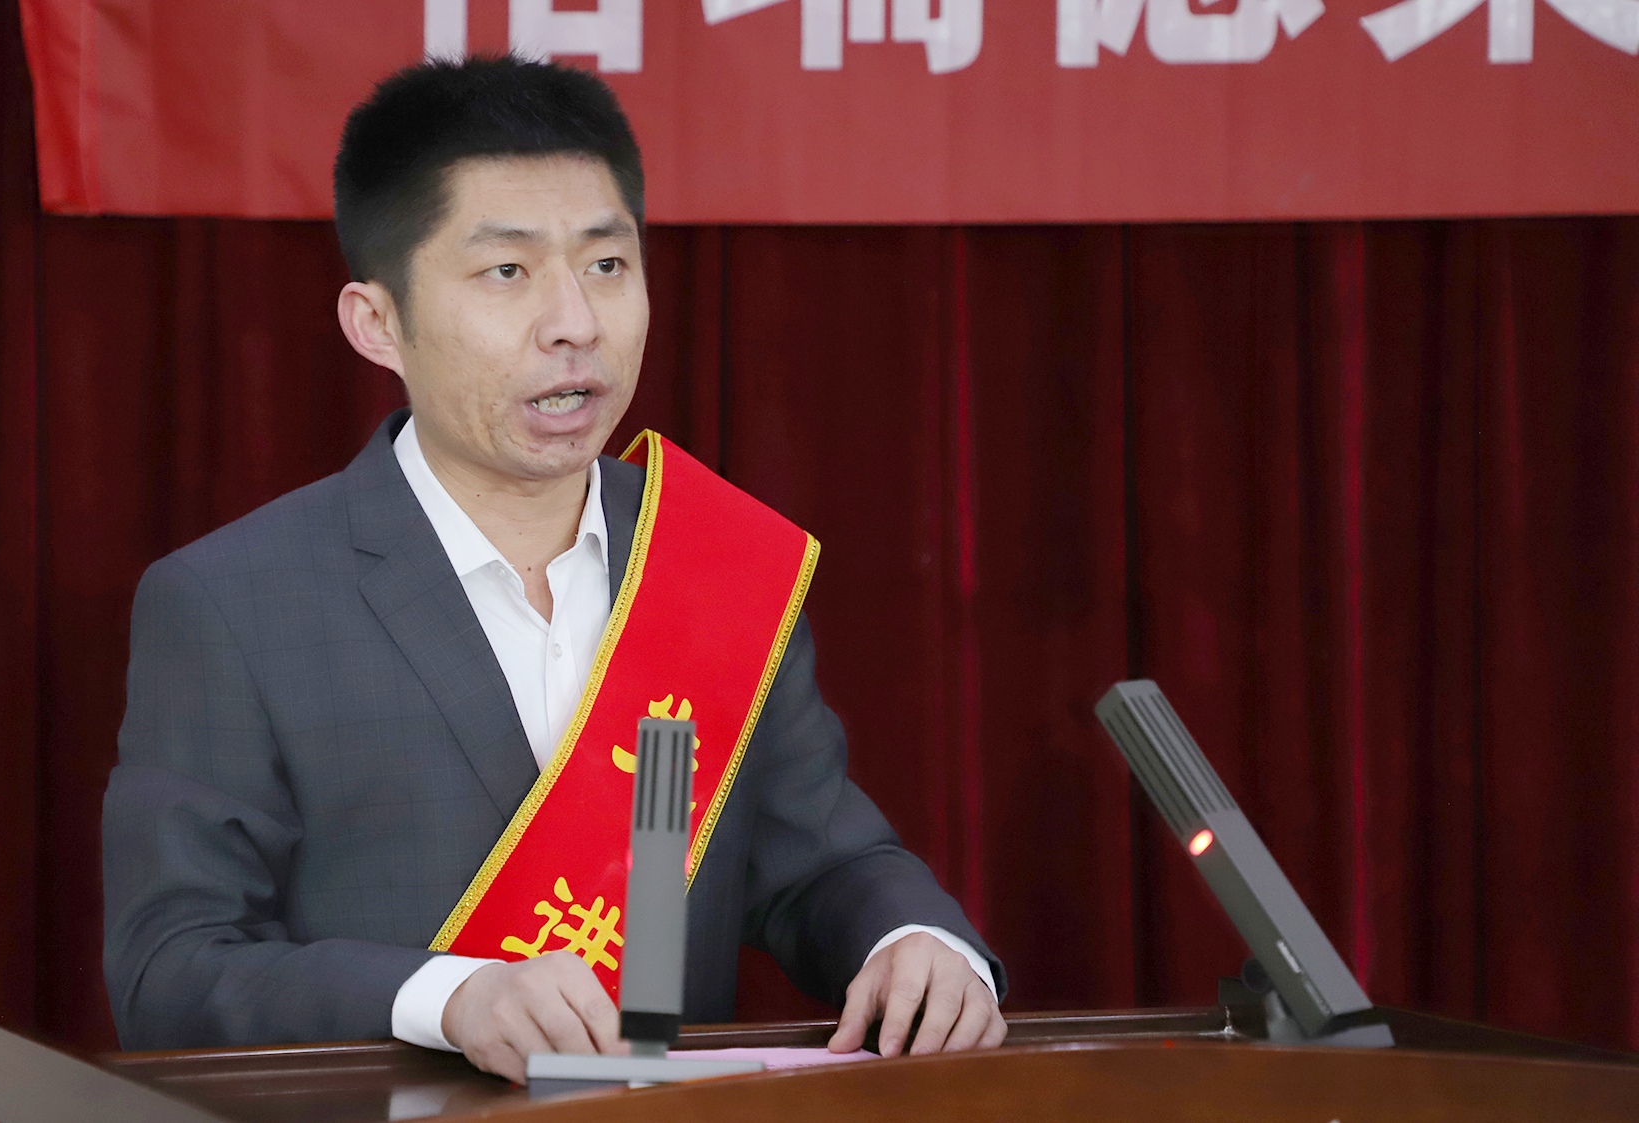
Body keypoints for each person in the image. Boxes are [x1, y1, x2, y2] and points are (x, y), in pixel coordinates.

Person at [102, 54, 1006, 1084]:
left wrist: (913, 941)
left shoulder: (715, 565)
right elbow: (170, 969)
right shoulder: (232, 602)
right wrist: (448, 996)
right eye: (508, 272)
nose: (575, 322)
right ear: (377, 323)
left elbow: (820, 865)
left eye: (607, 265)